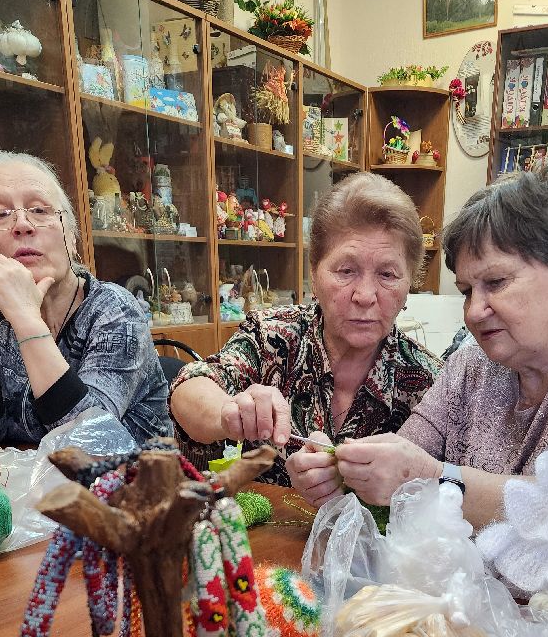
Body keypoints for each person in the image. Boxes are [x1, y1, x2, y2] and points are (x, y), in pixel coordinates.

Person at [288, 166, 548, 552]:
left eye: (496, 282)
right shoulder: (471, 365)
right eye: (467, 290)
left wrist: (434, 477)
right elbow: (406, 455)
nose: (474, 311)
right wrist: (342, 468)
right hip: (509, 599)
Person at [169, 172, 443, 485]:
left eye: (388, 275)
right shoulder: (272, 337)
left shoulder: (429, 381)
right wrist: (228, 412)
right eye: (346, 270)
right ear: (313, 274)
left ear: (409, 285)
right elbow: (189, 388)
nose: (365, 296)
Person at [0, 151, 172, 446]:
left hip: (130, 487)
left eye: (39, 210)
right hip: (20, 489)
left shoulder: (115, 310)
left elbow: (91, 443)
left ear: (71, 236)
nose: (22, 225)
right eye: (0, 214)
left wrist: (26, 319)